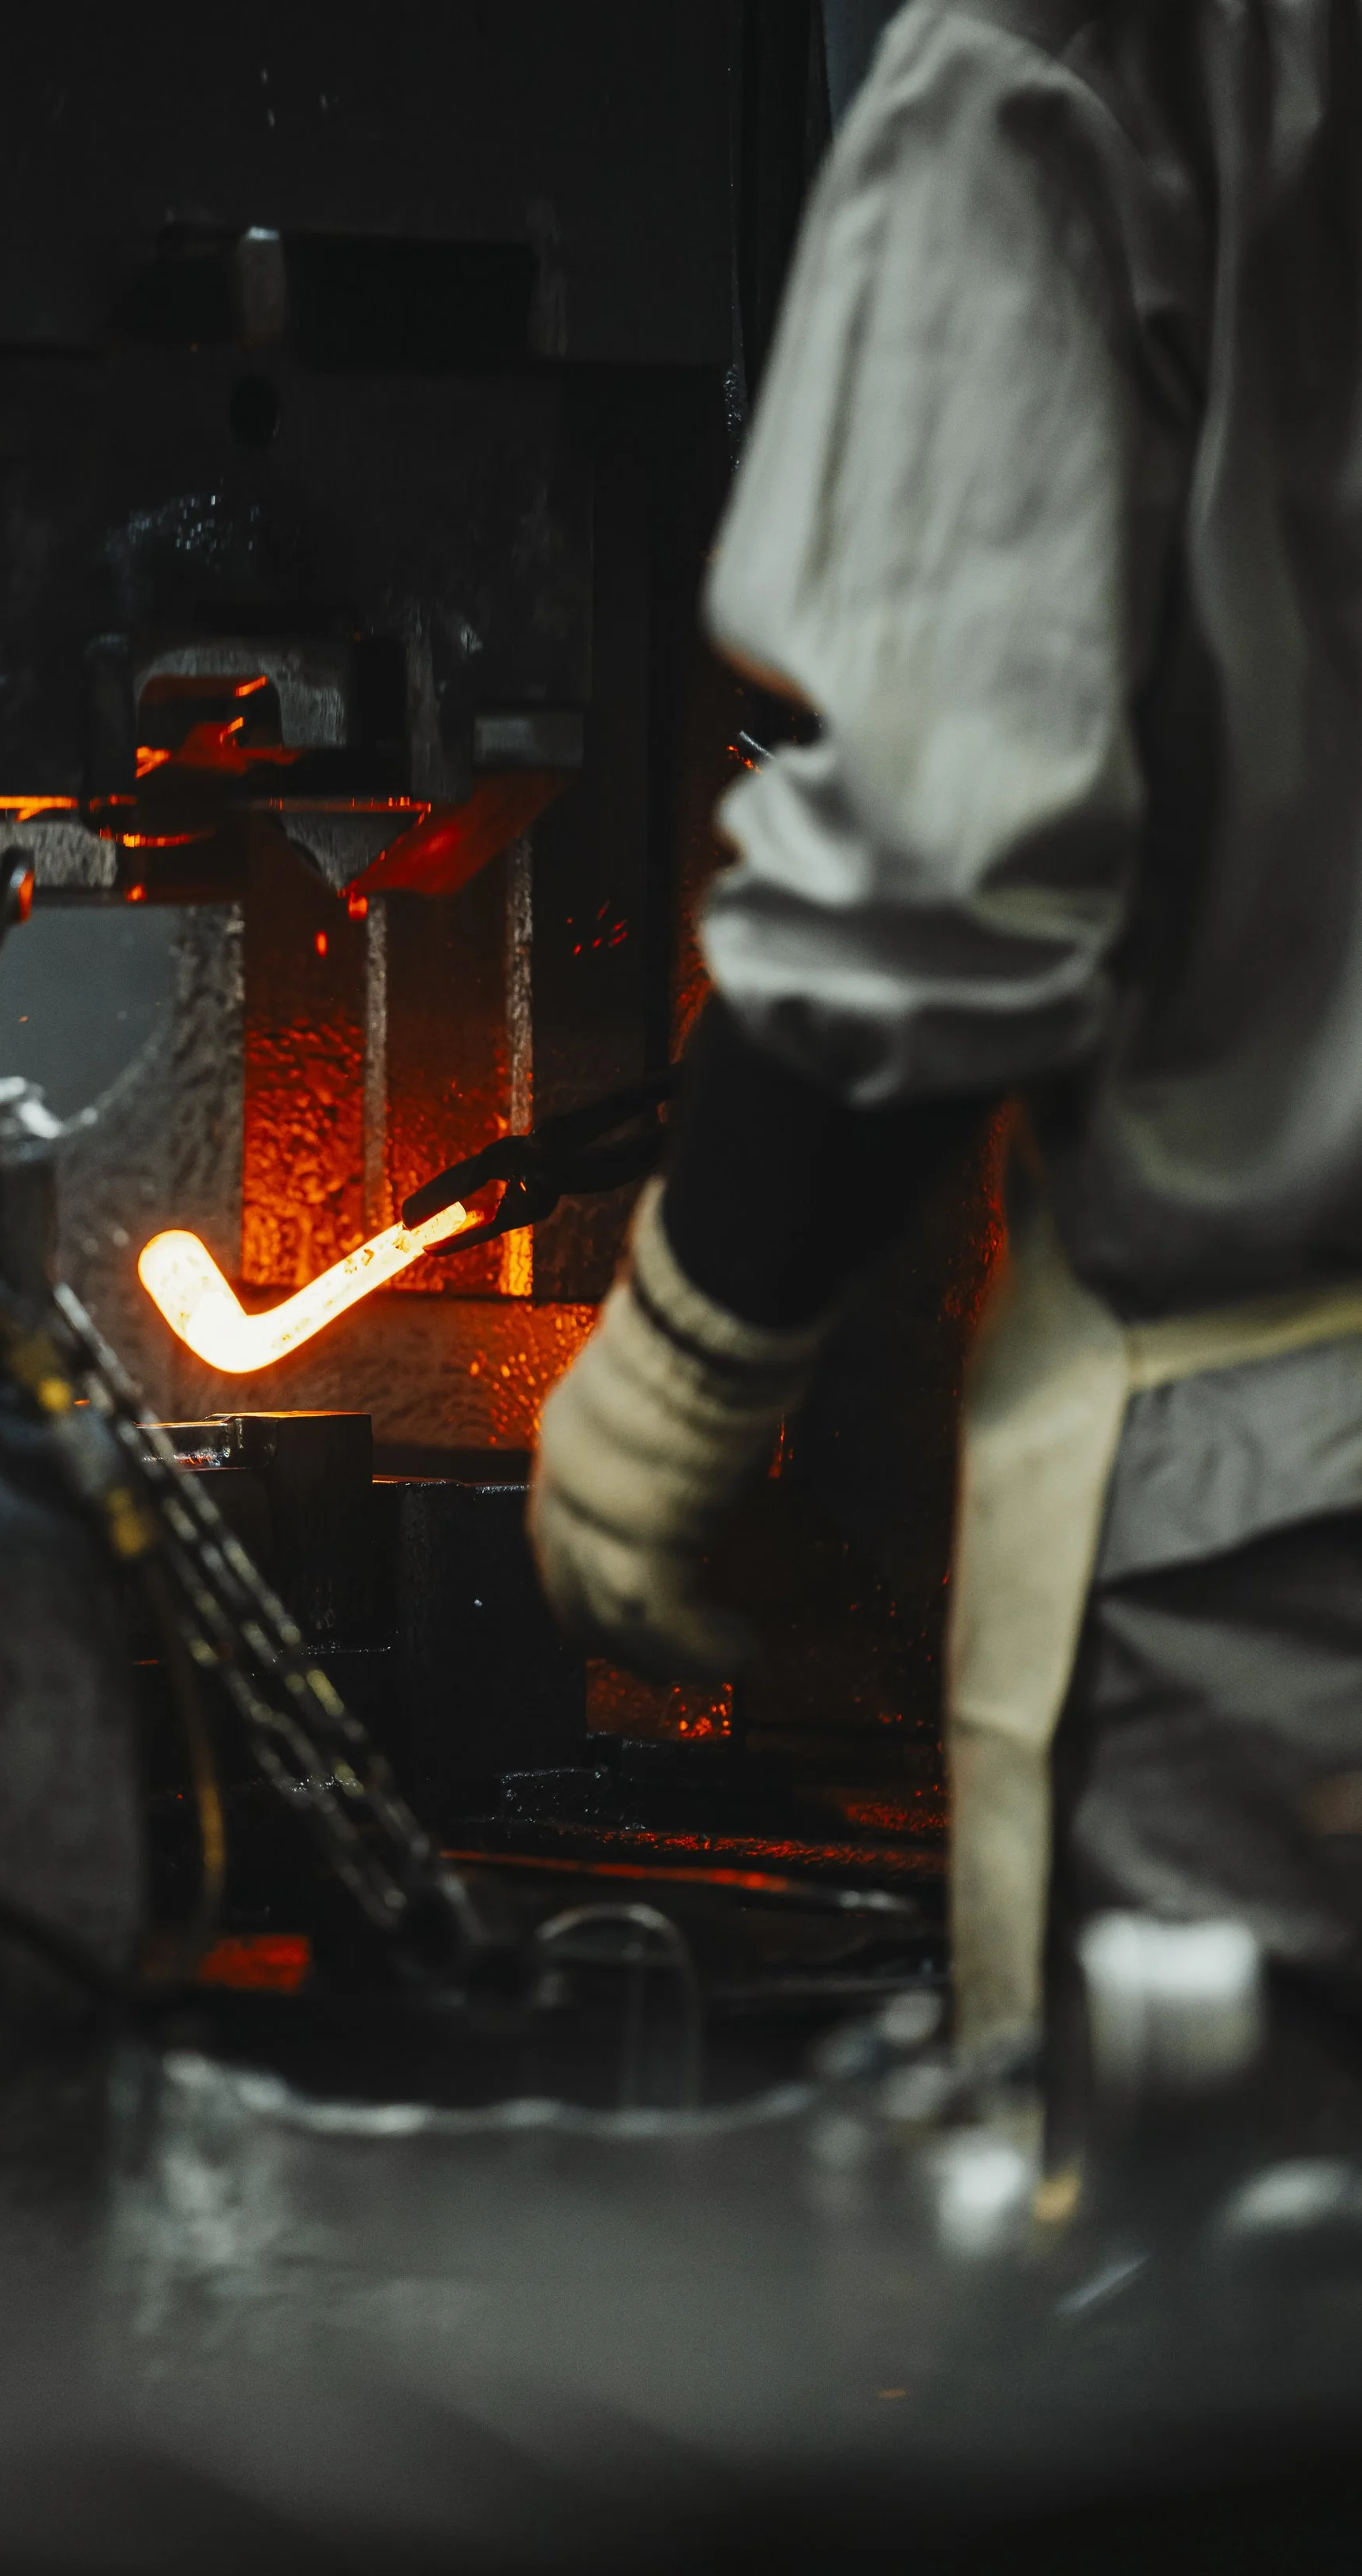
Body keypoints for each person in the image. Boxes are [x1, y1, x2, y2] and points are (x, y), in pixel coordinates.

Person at [529, 0, 1362, 2067]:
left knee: (1220, 2255)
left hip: (1283, 1558)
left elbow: (950, 846)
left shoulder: (1067, 56)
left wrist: (685, 1359)